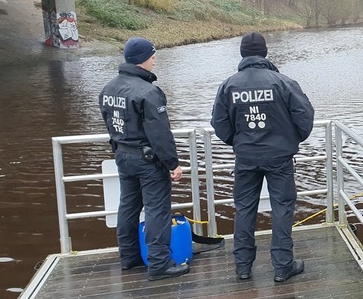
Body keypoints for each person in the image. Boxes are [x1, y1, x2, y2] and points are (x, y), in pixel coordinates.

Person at [211, 32, 315, 283]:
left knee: (245, 208)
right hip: (279, 156)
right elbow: (304, 116)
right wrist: (291, 140)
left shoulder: (229, 85)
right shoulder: (283, 83)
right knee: (282, 208)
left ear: (242, 54)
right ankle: (282, 266)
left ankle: (243, 267)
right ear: (265, 53)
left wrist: (239, 142)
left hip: (246, 157)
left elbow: (219, 123)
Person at [98, 37, 189, 281]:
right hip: (147, 160)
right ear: (141, 60)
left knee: (128, 206)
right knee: (157, 210)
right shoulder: (148, 92)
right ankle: (159, 264)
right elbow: (159, 133)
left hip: (122, 154)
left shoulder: (108, 88)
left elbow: (109, 122)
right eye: (152, 57)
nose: (154, 61)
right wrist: (173, 163)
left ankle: (128, 257)